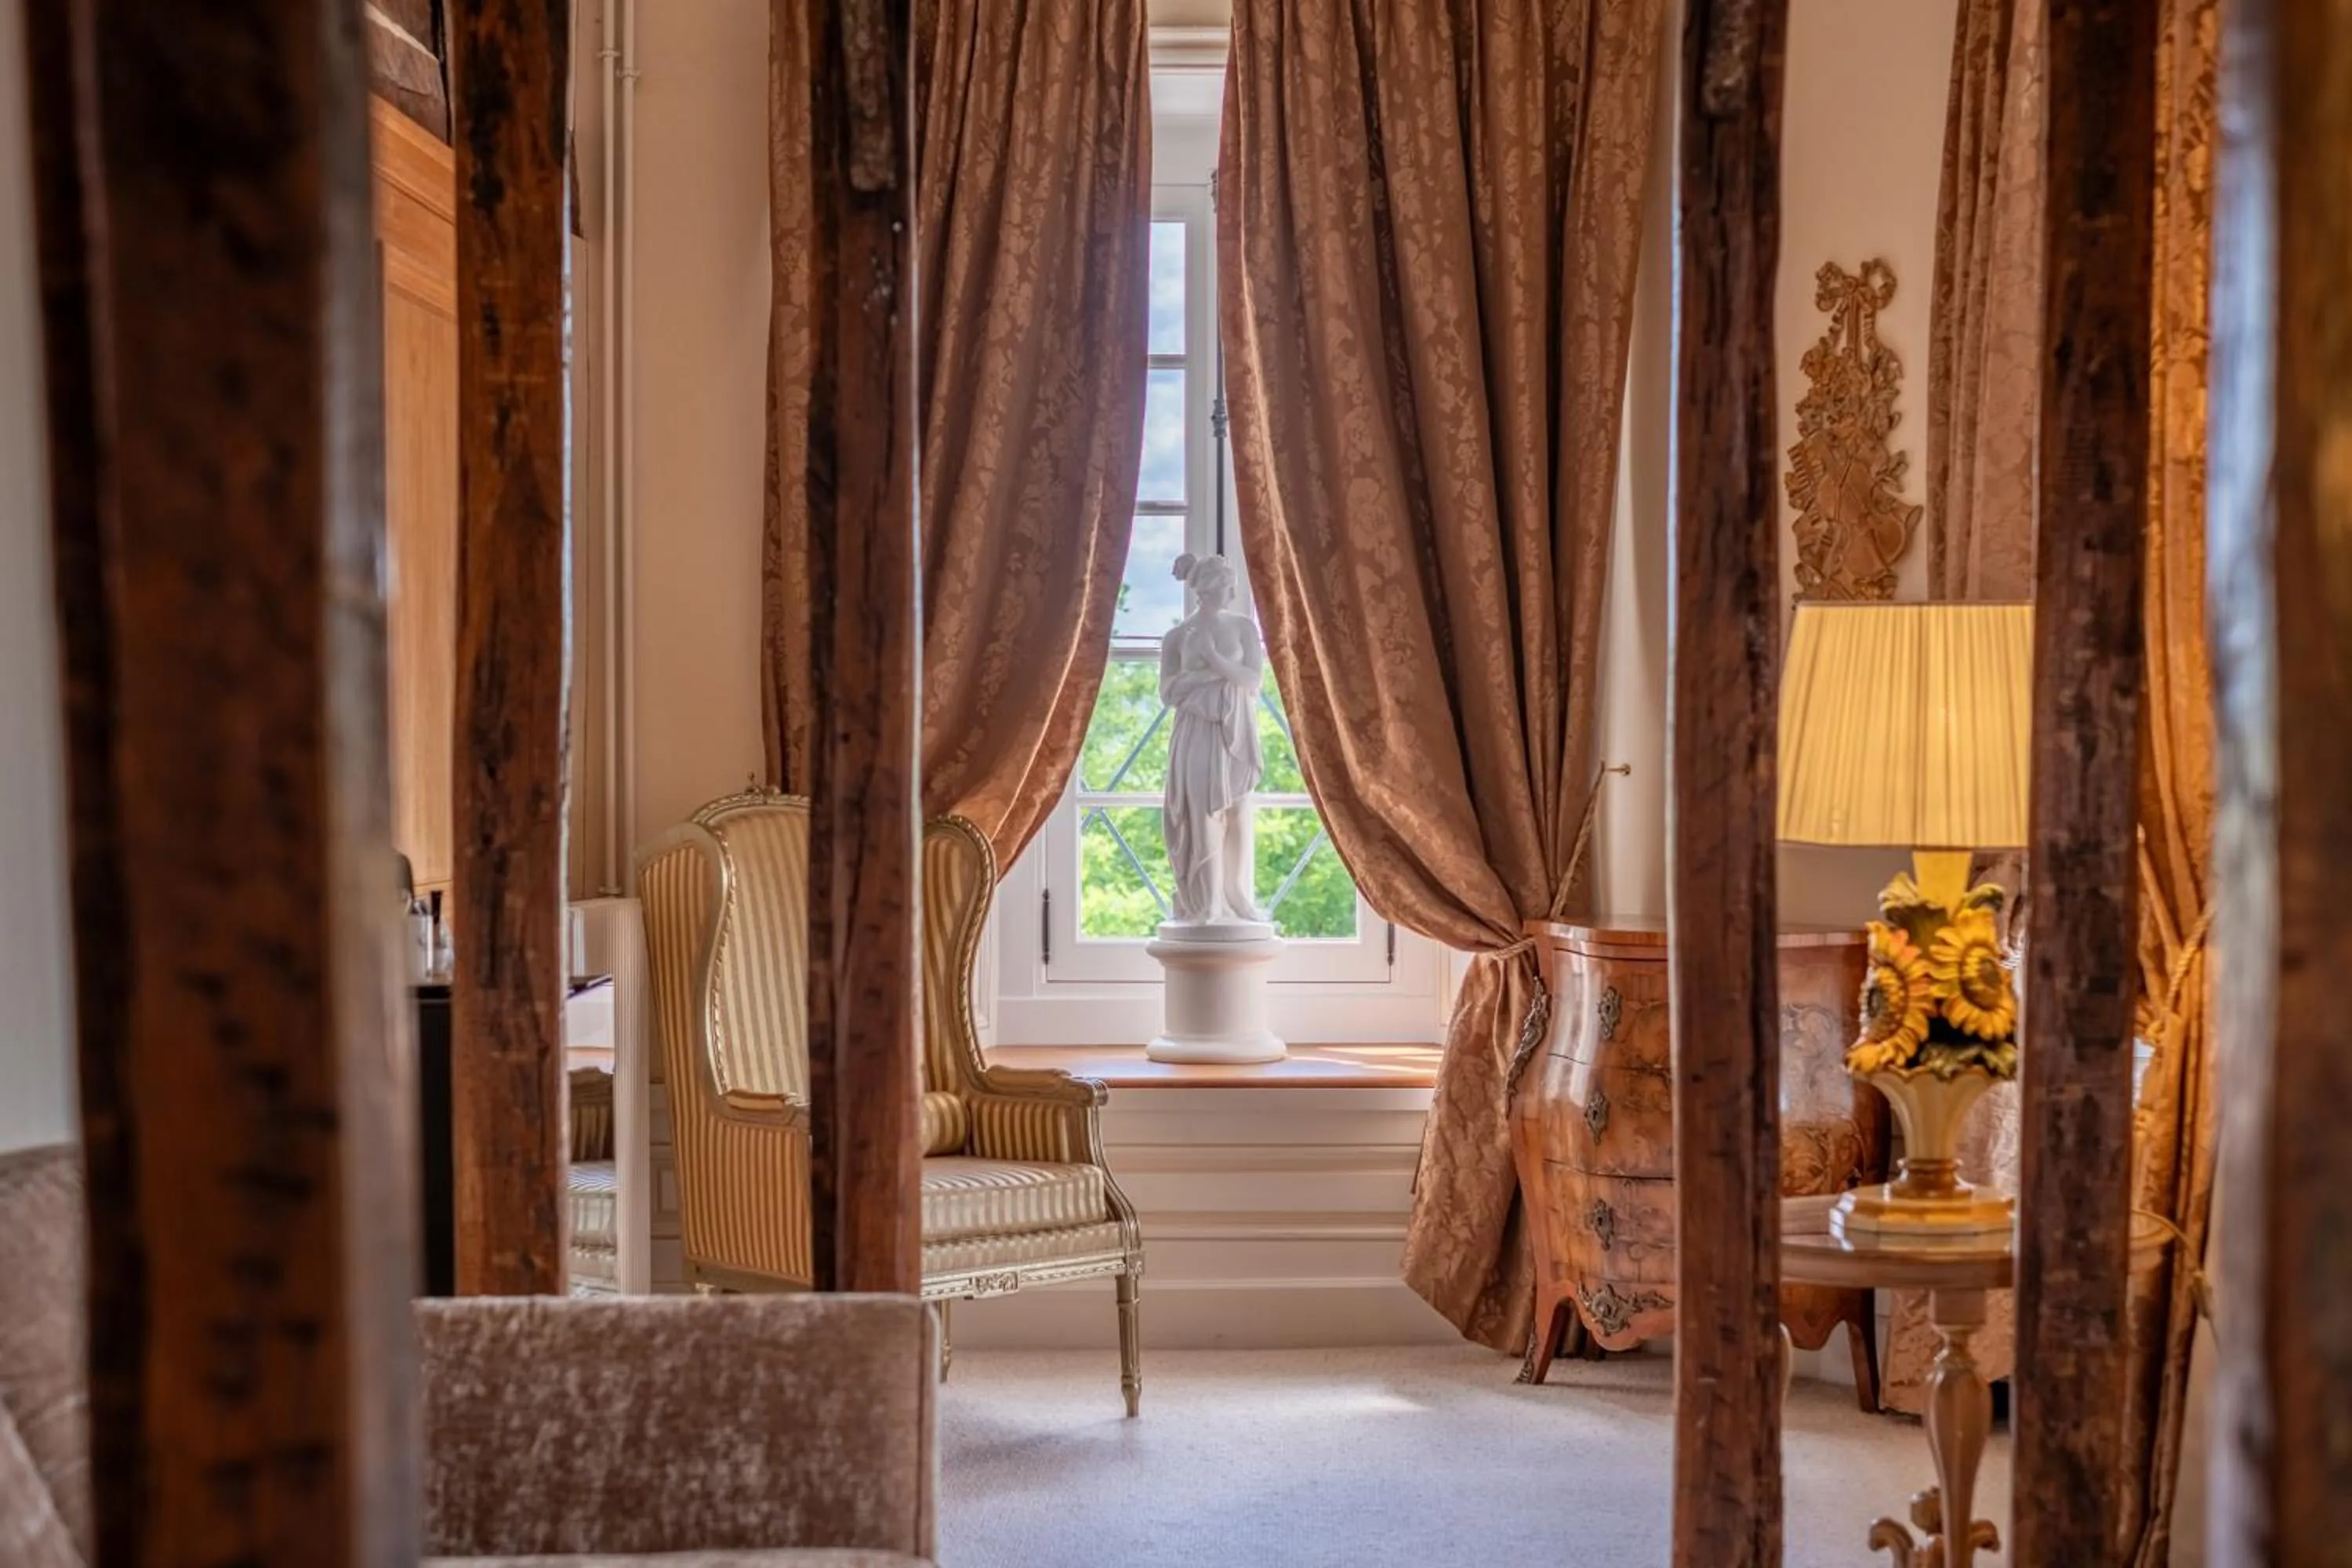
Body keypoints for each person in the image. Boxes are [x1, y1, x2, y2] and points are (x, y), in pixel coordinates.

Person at [1160, 552, 1266, 926]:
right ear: (1205, 589)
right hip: (1195, 731)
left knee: (1238, 811)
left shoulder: (1243, 628)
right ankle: (1207, 904)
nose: (1230, 591)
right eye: (1223, 585)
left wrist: (1212, 660)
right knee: (1202, 812)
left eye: (1229, 584)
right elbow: (1169, 692)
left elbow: (1253, 681)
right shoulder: (1176, 637)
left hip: (1235, 728)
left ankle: (1238, 896)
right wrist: (1216, 675)